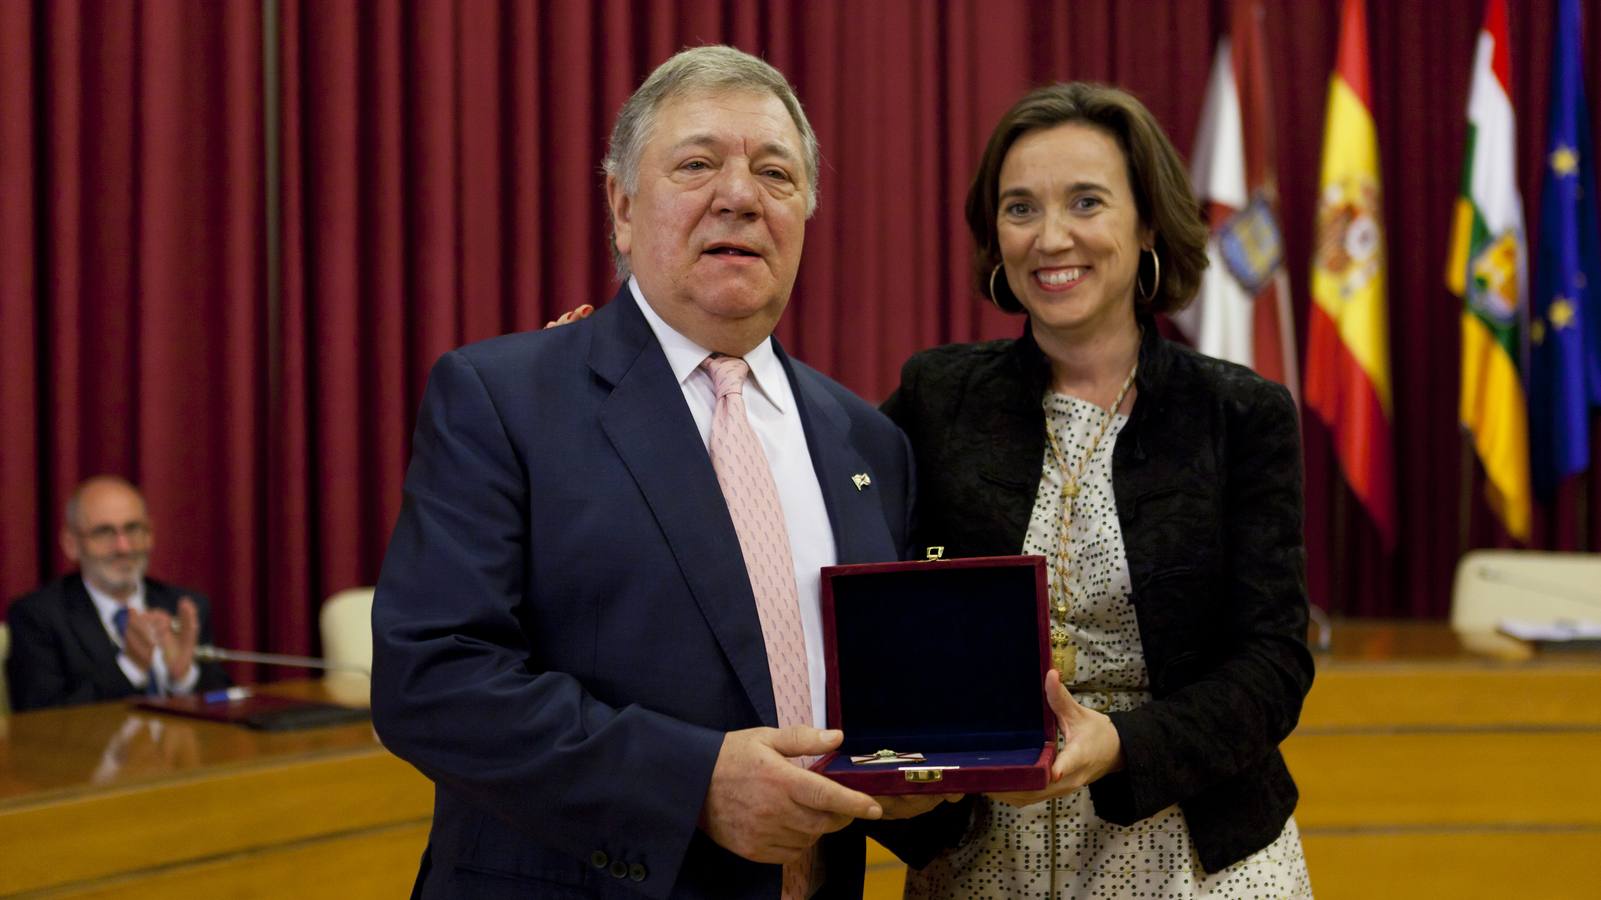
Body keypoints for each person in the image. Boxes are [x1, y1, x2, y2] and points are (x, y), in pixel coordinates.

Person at [370, 45, 960, 899]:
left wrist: (934, 769)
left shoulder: (866, 440)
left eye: (775, 173)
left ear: (805, 213)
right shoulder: (502, 398)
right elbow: (431, 679)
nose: (739, 196)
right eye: (696, 164)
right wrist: (691, 786)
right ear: (620, 206)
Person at [883, 83, 1315, 896]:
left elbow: (1273, 664)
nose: (1051, 238)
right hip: (983, 859)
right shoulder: (935, 398)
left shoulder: (1239, 414)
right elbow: (816, 504)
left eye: (1086, 202)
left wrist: (1118, 745)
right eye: (1019, 209)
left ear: (1146, 221)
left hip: (1194, 857)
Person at [5, 475, 228, 712]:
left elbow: (226, 702)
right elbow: (41, 720)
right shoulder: (37, 616)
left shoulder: (184, 606)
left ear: (150, 535)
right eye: (104, 532)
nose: (123, 547)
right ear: (71, 544)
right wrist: (130, 669)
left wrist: (184, 677)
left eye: (133, 529)